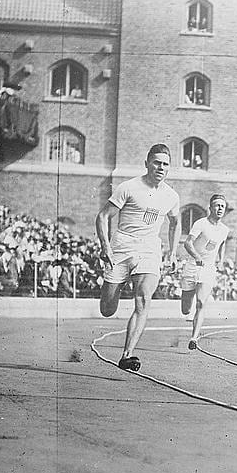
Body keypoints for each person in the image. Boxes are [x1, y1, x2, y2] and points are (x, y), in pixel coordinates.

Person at [96, 143, 181, 371]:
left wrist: (172, 252)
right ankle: (118, 284)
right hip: (122, 245)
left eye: (165, 164)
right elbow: (103, 217)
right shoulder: (129, 187)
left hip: (150, 249)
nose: (161, 168)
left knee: (143, 299)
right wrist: (105, 246)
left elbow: (175, 222)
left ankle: (127, 354)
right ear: (147, 164)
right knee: (107, 309)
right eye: (157, 162)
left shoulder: (171, 196)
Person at [180, 194, 230, 350]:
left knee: (201, 303)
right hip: (193, 265)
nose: (220, 208)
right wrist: (196, 257)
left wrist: (221, 260)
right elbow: (188, 243)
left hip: (208, 268)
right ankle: (187, 309)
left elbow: (221, 245)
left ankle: (194, 338)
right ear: (210, 208)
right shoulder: (201, 223)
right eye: (217, 205)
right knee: (186, 308)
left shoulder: (224, 229)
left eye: (222, 206)